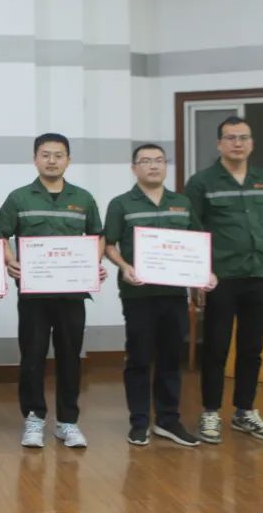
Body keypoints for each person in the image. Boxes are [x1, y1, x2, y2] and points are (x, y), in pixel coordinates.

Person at [0, 133, 105, 449]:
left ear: (68, 160)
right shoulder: (19, 198)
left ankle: (68, 422)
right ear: (35, 159)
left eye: (58, 155)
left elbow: (98, 236)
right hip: (34, 296)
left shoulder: (82, 198)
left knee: (71, 357)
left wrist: (91, 264)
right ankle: (34, 418)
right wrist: (11, 262)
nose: (52, 160)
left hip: (72, 295)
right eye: (45, 155)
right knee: (33, 356)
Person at [185, 116, 263, 444]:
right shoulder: (202, 182)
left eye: (244, 137)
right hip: (221, 278)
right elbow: (193, 232)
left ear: (252, 143)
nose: (238, 143)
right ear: (219, 144)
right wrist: (197, 277)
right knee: (216, 347)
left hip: (260, 275)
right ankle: (210, 412)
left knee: (252, 348)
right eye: (231, 137)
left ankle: (245, 411)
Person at [104, 143, 216, 447]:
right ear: (134, 168)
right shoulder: (121, 204)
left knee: (170, 357)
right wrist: (124, 266)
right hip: (138, 294)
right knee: (139, 357)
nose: (153, 166)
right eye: (145, 161)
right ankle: (139, 422)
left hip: (174, 295)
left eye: (158, 160)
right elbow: (109, 244)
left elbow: (196, 243)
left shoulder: (182, 202)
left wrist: (203, 276)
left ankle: (168, 420)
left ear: (165, 166)